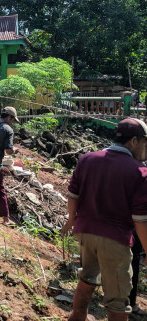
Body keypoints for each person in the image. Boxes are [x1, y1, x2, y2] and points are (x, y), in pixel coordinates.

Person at [62, 118, 147, 321]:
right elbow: (140, 219)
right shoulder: (139, 172)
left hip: (85, 233)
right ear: (134, 141)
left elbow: (73, 195)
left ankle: (77, 317)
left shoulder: (88, 159)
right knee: (117, 299)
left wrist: (71, 221)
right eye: (145, 143)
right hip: (115, 240)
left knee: (87, 279)